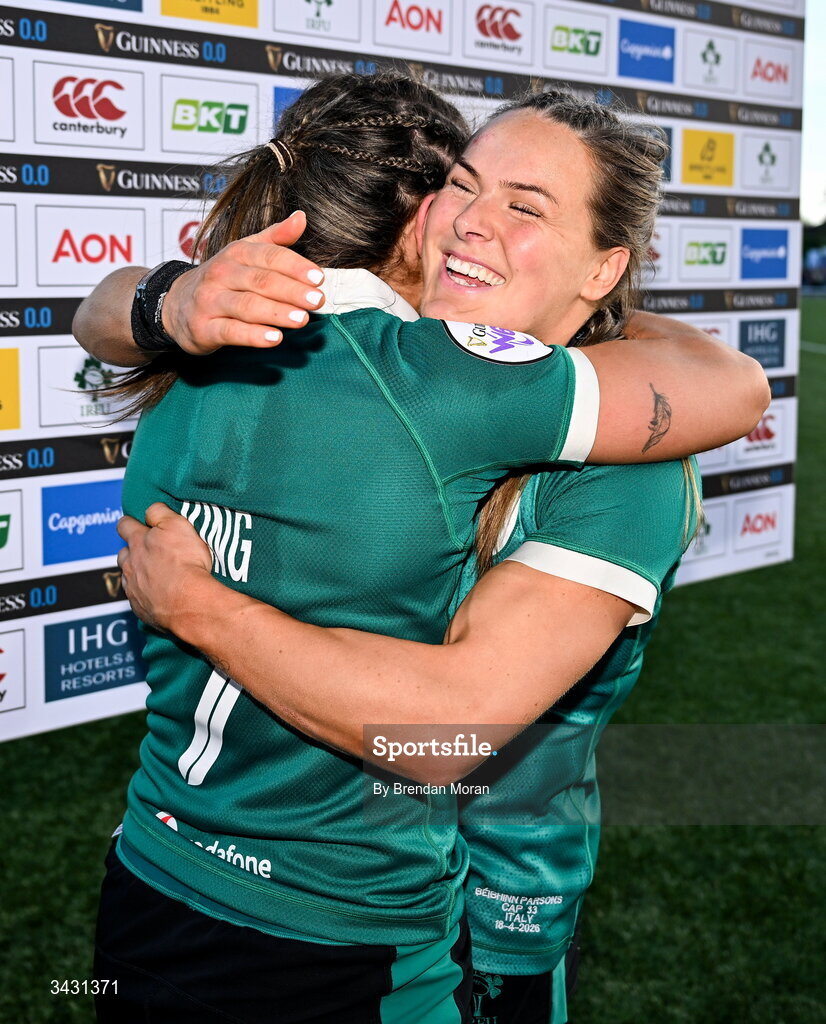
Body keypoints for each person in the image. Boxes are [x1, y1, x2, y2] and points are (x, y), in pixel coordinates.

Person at [75, 77, 768, 1023]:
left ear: (604, 268)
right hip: (351, 908)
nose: (472, 222)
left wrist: (199, 605)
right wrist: (168, 295)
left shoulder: (627, 466)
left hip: (496, 914)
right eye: (464, 184)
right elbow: (110, 315)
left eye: (525, 208)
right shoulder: (395, 367)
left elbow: (450, 732)